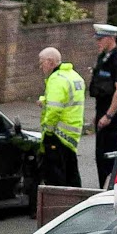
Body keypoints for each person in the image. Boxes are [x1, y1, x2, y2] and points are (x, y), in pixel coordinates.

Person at [89, 23, 117, 188]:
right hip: (102, 109)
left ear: (111, 38)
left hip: (111, 114)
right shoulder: (103, 58)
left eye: (101, 39)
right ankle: (103, 186)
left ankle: (112, 187)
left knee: (110, 153)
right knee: (100, 154)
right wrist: (99, 115)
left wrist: (108, 115)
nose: (98, 42)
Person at [37, 47, 85, 190]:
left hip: (58, 135)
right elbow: (67, 101)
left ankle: (58, 209)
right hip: (72, 135)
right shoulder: (74, 76)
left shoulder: (56, 80)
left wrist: (49, 132)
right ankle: (77, 204)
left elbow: (54, 110)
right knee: (71, 175)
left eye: (42, 63)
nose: (41, 67)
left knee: (55, 179)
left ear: (50, 62)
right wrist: (44, 100)